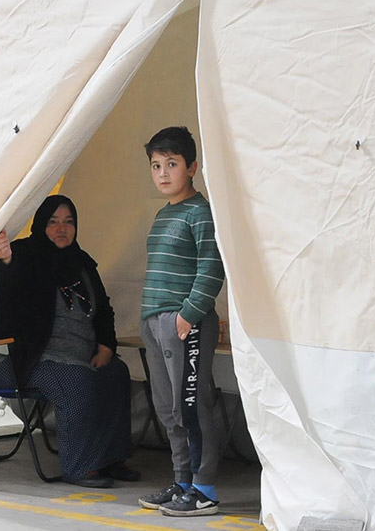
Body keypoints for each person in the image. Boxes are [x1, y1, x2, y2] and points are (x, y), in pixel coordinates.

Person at [0, 194, 140, 488]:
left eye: (69, 222)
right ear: (40, 225)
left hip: (82, 354)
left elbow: (104, 310)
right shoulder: (25, 255)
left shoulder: (81, 262)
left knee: (115, 373)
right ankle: (80, 467)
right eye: (53, 222)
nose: (62, 229)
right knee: (76, 380)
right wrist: (6, 260)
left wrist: (107, 346)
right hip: (35, 358)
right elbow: (7, 296)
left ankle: (109, 459)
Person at [136, 126, 226, 517]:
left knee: (191, 406)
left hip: (184, 322)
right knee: (168, 408)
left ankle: (203, 488)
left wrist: (189, 314)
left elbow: (212, 267)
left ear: (191, 167)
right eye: (156, 165)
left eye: (171, 164)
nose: (163, 173)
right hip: (155, 322)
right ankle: (183, 481)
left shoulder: (201, 212)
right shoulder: (163, 214)